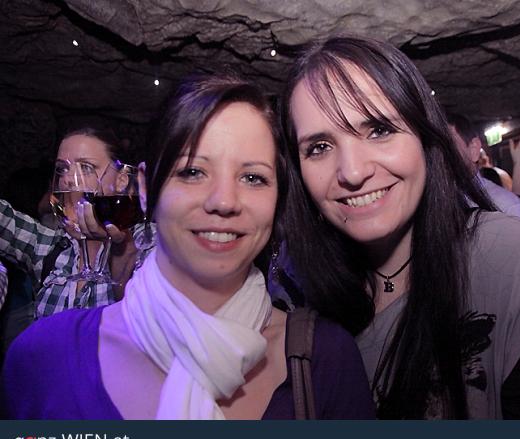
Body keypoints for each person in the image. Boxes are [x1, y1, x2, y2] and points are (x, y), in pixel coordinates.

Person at [1, 74, 374, 420]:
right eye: (192, 172)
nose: (224, 200)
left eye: (252, 177)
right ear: (144, 188)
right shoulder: (44, 358)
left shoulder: (324, 361)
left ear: (278, 198)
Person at [277, 36, 520, 419]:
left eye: (378, 130)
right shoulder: (300, 291)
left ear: (424, 136)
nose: (353, 171)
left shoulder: (505, 257)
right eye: (319, 147)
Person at [0, 127, 144, 319]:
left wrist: (122, 248)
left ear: (121, 181)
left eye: (86, 167)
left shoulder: (149, 242)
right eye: (62, 169)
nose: (68, 179)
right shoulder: (49, 247)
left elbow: (146, 317)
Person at [448, 114, 520, 220]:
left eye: (447, 146)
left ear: (474, 149)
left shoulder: (506, 207)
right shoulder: (431, 200)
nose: (436, 157)